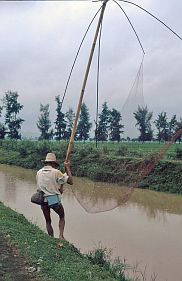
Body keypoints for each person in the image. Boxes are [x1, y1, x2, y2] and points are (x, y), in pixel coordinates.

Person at [36, 152, 73, 240]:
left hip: (42, 199)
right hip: (53, 199)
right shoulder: (56, 172)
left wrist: (60, 188)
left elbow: (45, 185)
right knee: (62, 216)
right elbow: (71, 181)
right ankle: (61, 236)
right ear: (53, 163)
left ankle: (51, 238)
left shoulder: (39, 172)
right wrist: (67, 167)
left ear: (46, 163)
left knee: (48, 221)